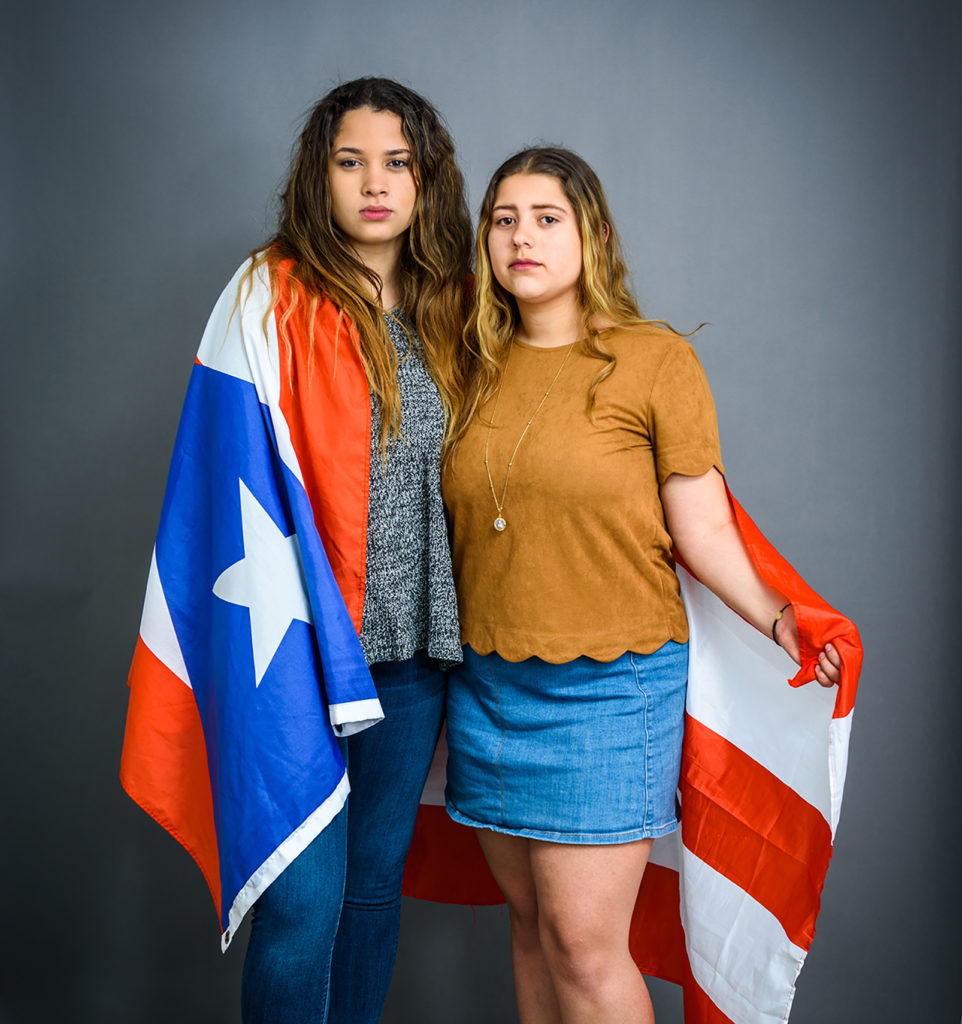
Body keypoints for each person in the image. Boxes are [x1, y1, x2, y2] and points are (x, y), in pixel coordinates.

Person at [440, 147, 843, 1024]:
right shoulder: (467, 364)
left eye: (547, 218)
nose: (522, 237)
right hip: (487, 685)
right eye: (504, 219)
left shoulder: (653, 360)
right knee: (532, 924)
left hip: (610, 691)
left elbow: (701, 528)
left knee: (587, 946)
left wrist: (780, 620)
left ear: (593, 235)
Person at [122, 77, 472, 1024]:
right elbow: (225, 473)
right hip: (299, 653)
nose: (373, 184)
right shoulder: (267, 293)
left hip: (412, 657)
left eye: (396, 164)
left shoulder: (457, 305)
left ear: (425, 179)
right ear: (317, 178)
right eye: (349, 161)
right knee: (302, 900)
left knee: (368, 891)